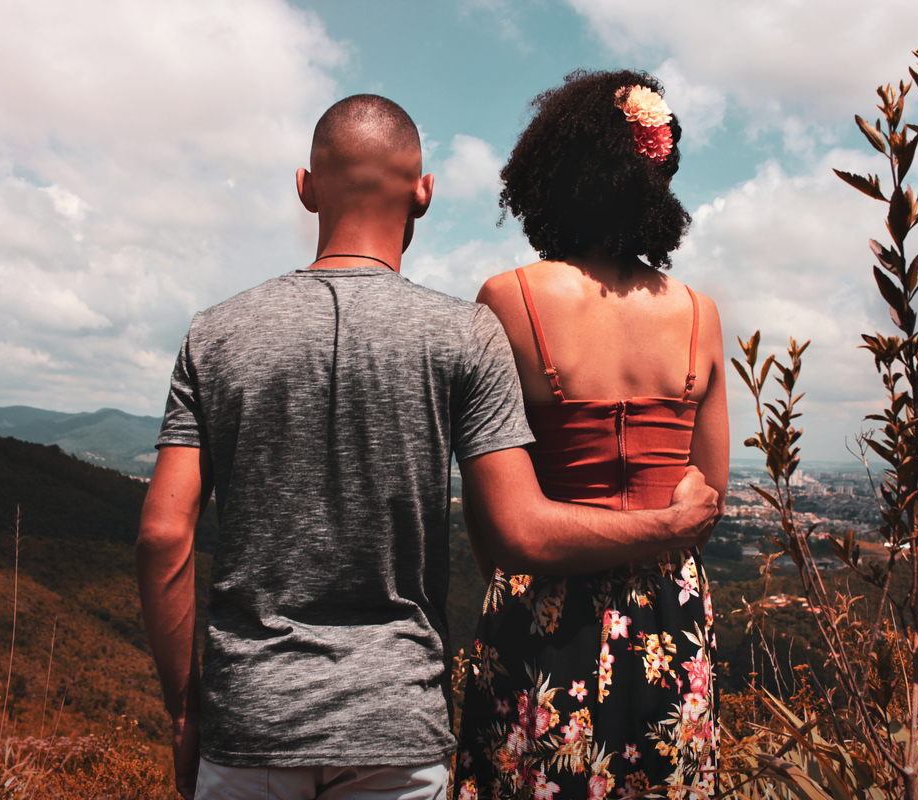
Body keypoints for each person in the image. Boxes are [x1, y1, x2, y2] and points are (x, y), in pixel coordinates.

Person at [135, 93, 721, 800]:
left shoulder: (215, 334)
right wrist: (668, 524)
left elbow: (165, 535)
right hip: (417, 717)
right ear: (425, 193)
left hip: (259, 716)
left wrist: (181, 711)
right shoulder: (467, 334)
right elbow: (656, 504)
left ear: (306, 187)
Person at [454, 71, 729, 799]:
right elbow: (705, 501)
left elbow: (495, 517)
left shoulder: (511, 299)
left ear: (553, 177)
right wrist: (666, 524)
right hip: (673, 617)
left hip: (548, 610)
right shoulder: (700, 313)